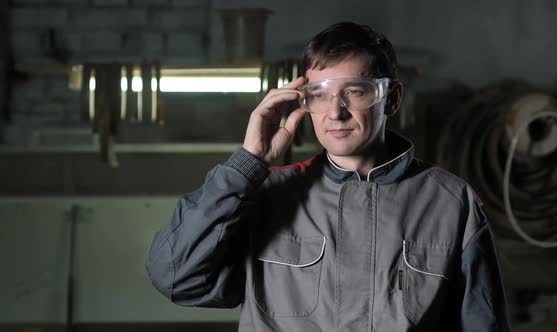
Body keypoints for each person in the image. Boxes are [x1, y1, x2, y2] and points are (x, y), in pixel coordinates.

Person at [146, 22, 511, 331]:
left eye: (355, 92)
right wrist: (247, 163)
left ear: (393, 98)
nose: (335, 112)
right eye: (319, 95)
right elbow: (178, 278)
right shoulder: (266, 194)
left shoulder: (451, 201)